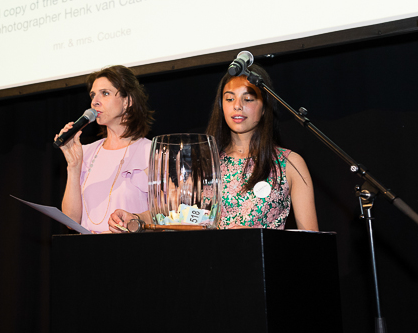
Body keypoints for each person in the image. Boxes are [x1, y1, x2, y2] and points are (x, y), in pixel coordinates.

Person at [109, 63, 319, 232]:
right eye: (230, 99)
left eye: (248, 99)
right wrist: (135, 218)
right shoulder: (207, 161)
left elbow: (311, 241)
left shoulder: (289, 163)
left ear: (265, 107)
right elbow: (177, 213)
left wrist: (254, 237)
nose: (237, 106)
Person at [56, 65, 154, 233]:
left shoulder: (151, 152)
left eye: (105, 93)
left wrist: (134, 221)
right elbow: (71, 221)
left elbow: (167, 214)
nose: (95, 101)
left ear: (127, 101)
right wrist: (73, 166)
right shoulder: (86, 152)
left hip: (132, 247)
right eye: (93, 95)